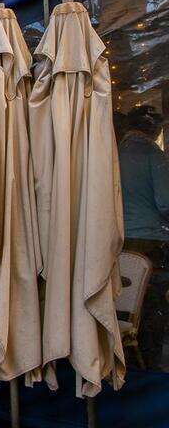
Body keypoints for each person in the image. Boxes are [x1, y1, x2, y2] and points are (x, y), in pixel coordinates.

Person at [118, 104, 169, 368]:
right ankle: (149, 364)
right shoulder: (153, 154)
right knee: (151, 306)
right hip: (149, 243)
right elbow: (165, 202)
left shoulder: (112, 153)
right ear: (154, 129)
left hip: (116, 242)